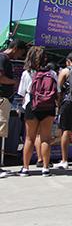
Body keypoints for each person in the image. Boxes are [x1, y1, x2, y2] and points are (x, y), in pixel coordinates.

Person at [18, 46, 58, 177]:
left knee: (29, 138)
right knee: (46, 138)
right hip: (48, 107)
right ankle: (45, 168)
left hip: (32, 106)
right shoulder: (52, 73)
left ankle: (25, 168)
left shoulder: (27, 73)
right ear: (45, 58)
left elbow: (21, 93)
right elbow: (57, 92)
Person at [0, 39, 26, 178]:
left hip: (4, 100)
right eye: (20, 52)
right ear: (15, 48)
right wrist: (14, 82)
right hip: (2, 100)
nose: (19, 57)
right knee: (0, 131)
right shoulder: (3, 58)